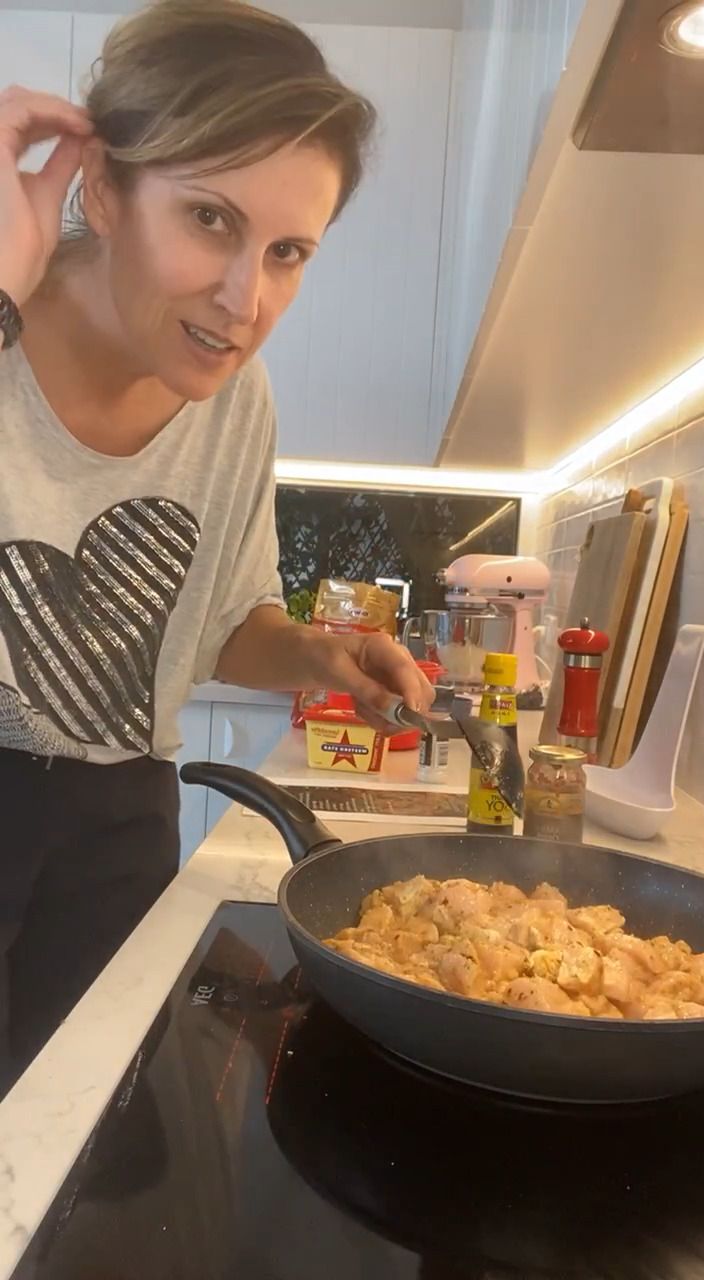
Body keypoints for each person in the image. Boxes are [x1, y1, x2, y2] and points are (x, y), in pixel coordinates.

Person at [0, 0, 433, 1093]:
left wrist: (324, 654)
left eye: (288, 252)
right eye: (209, 218)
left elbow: (227, 621)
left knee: (93, 1134)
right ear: (104, 188)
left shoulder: (237, 402)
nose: (248, 299)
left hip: (119, 822)